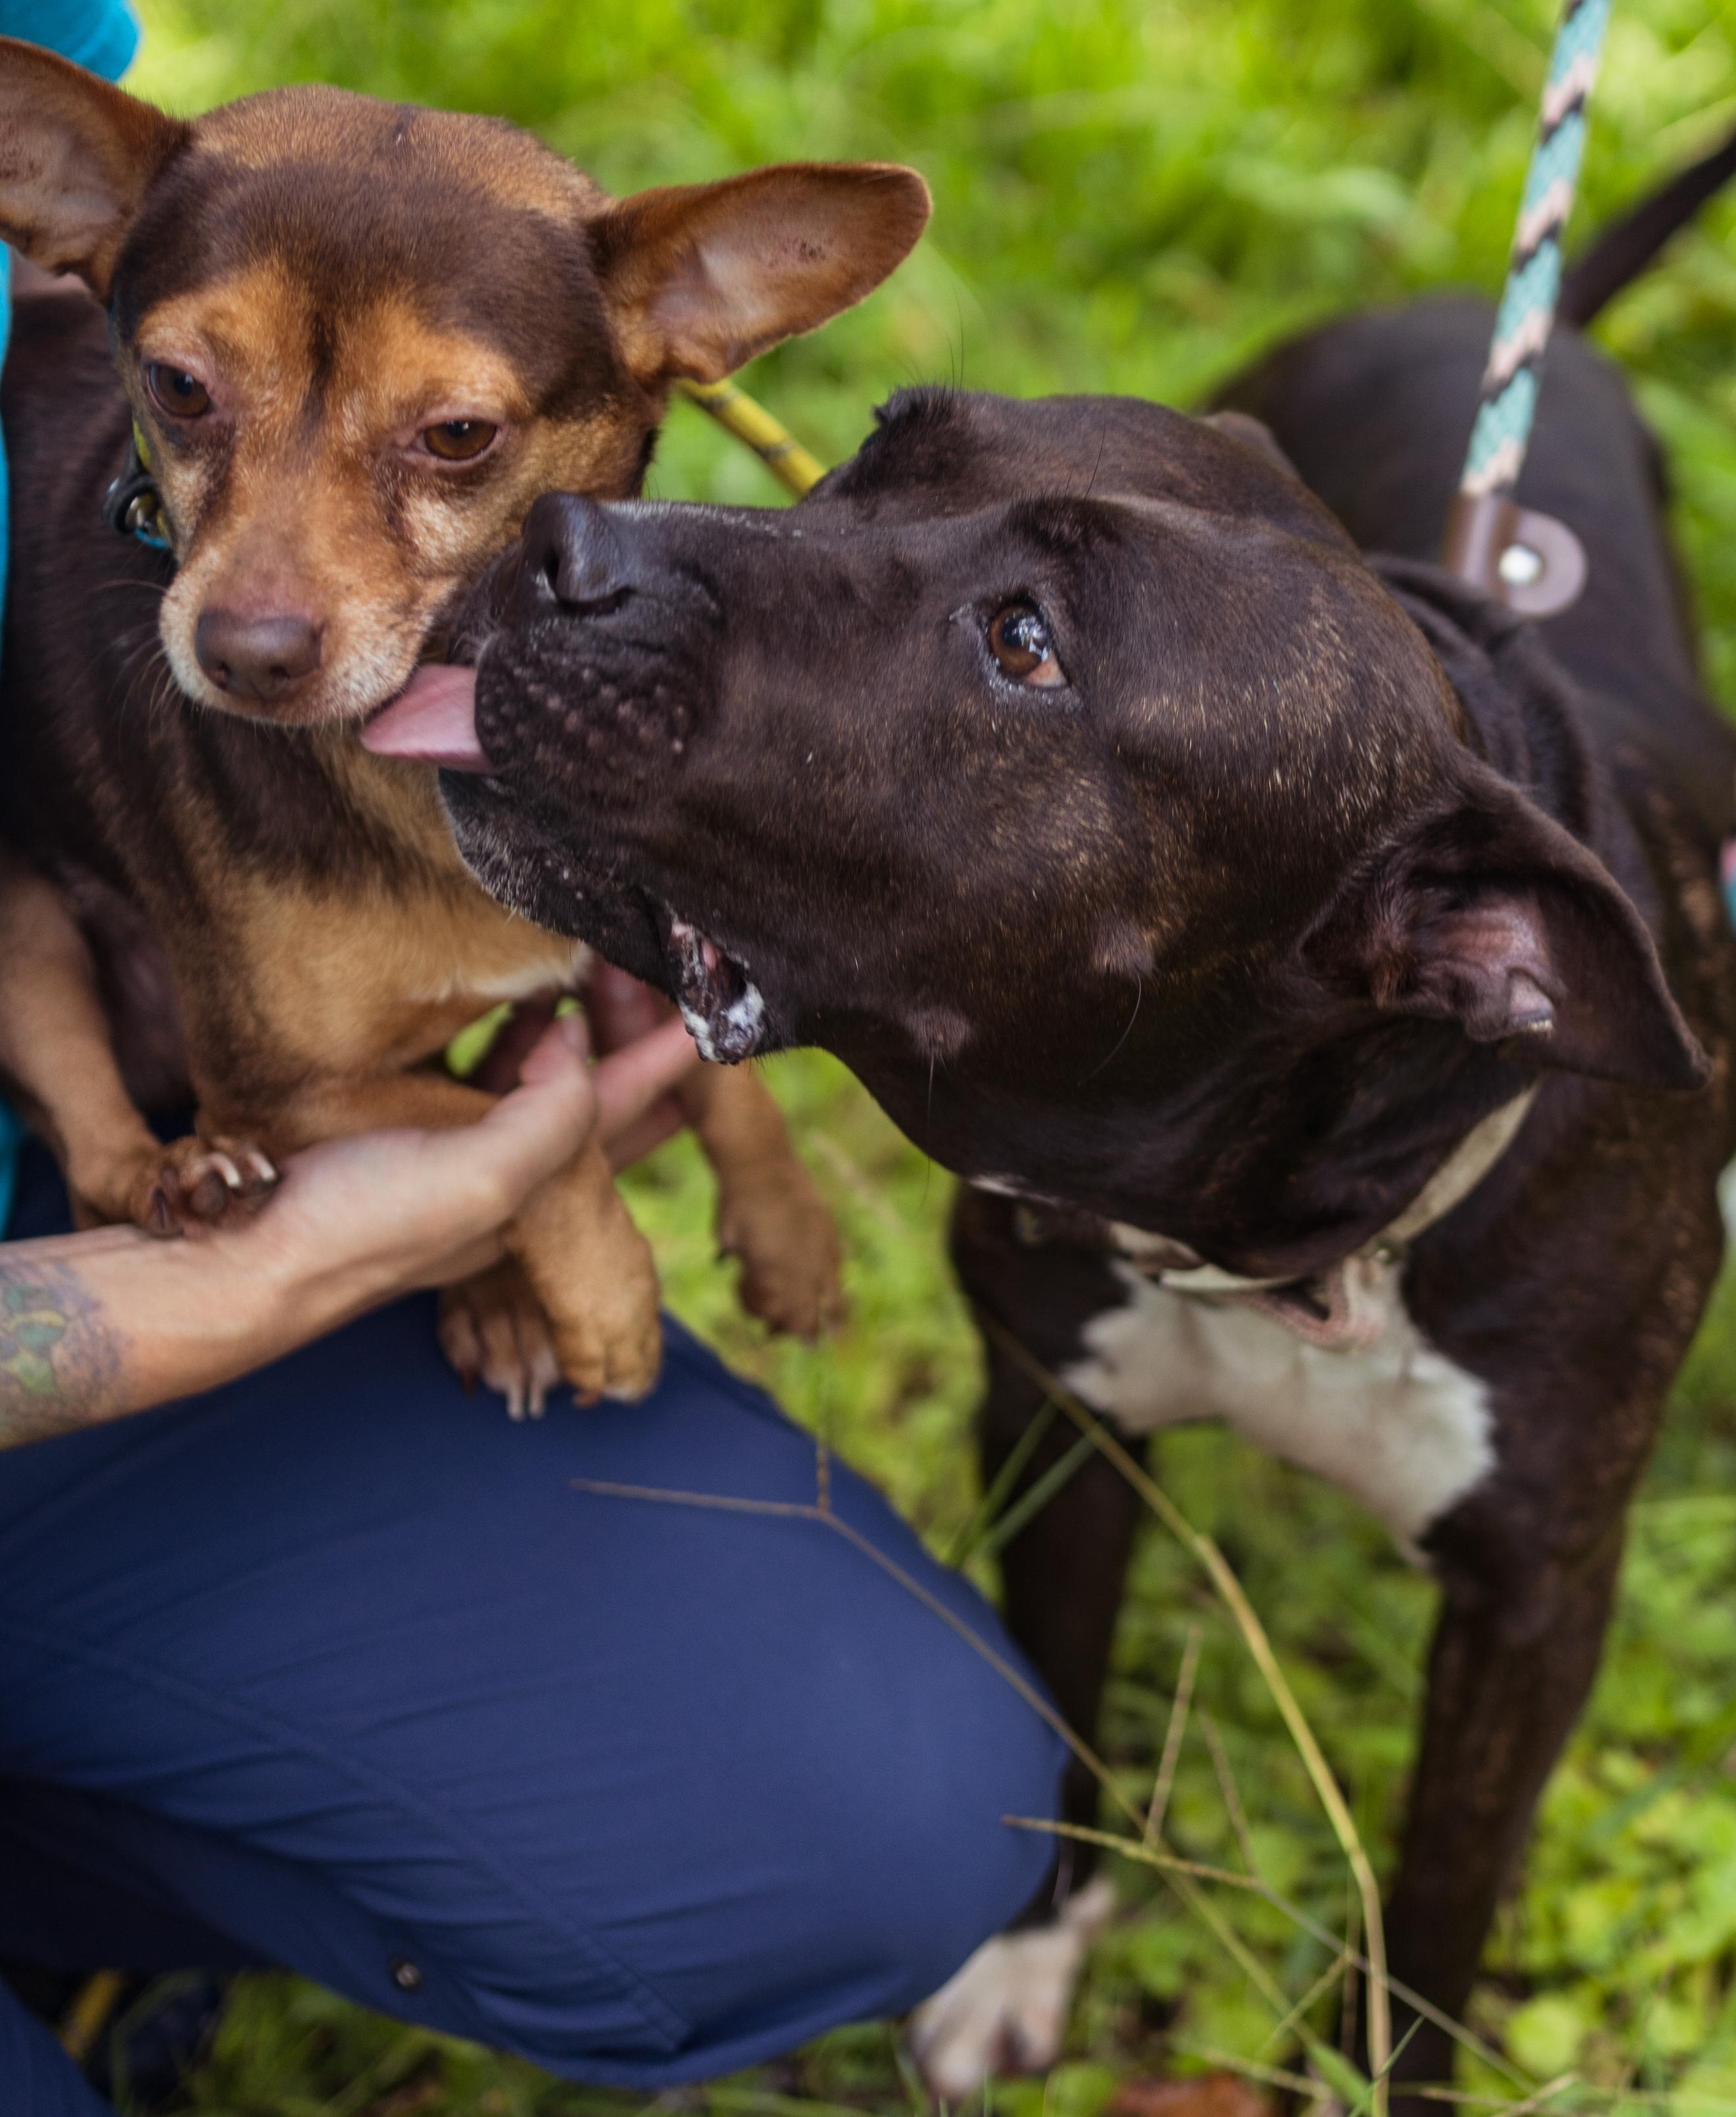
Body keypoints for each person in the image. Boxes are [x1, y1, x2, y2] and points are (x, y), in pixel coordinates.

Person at [0, 9, 1064, 2113]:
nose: (266, 598)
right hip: (133, 1134)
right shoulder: (201, 719)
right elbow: (292, 1069)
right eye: (194, 403)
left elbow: (657, 933)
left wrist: (742, 1143)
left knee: (900, 1796)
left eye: (451, 442)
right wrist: (521, 1193)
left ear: (681, 338)